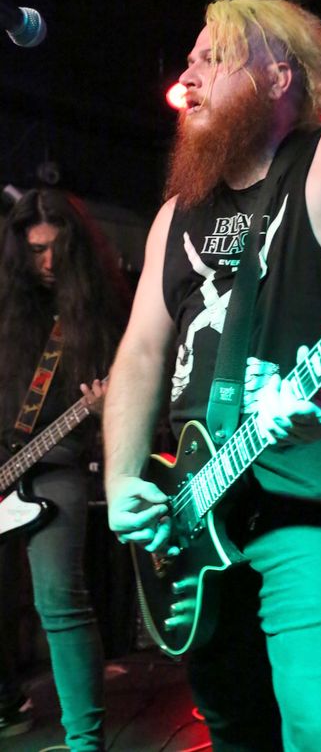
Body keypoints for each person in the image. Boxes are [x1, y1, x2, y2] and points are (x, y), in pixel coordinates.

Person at [103, 0, 321, 751]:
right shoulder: (176, 213)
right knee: (235, 731)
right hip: (198, 509)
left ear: (278, 75)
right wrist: (123, 479)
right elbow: (141, 353)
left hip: (311, 499)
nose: (188, 77)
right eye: (188, 62)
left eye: (213, 59)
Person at [0, 189, 129, 750]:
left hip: (57, 465)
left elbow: (137, 382)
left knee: (59, 599)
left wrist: (107, 406)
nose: (48, 261)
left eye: (57, 248)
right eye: (36, 251)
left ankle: (84, 741)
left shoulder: (101, 309)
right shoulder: (7, 305)